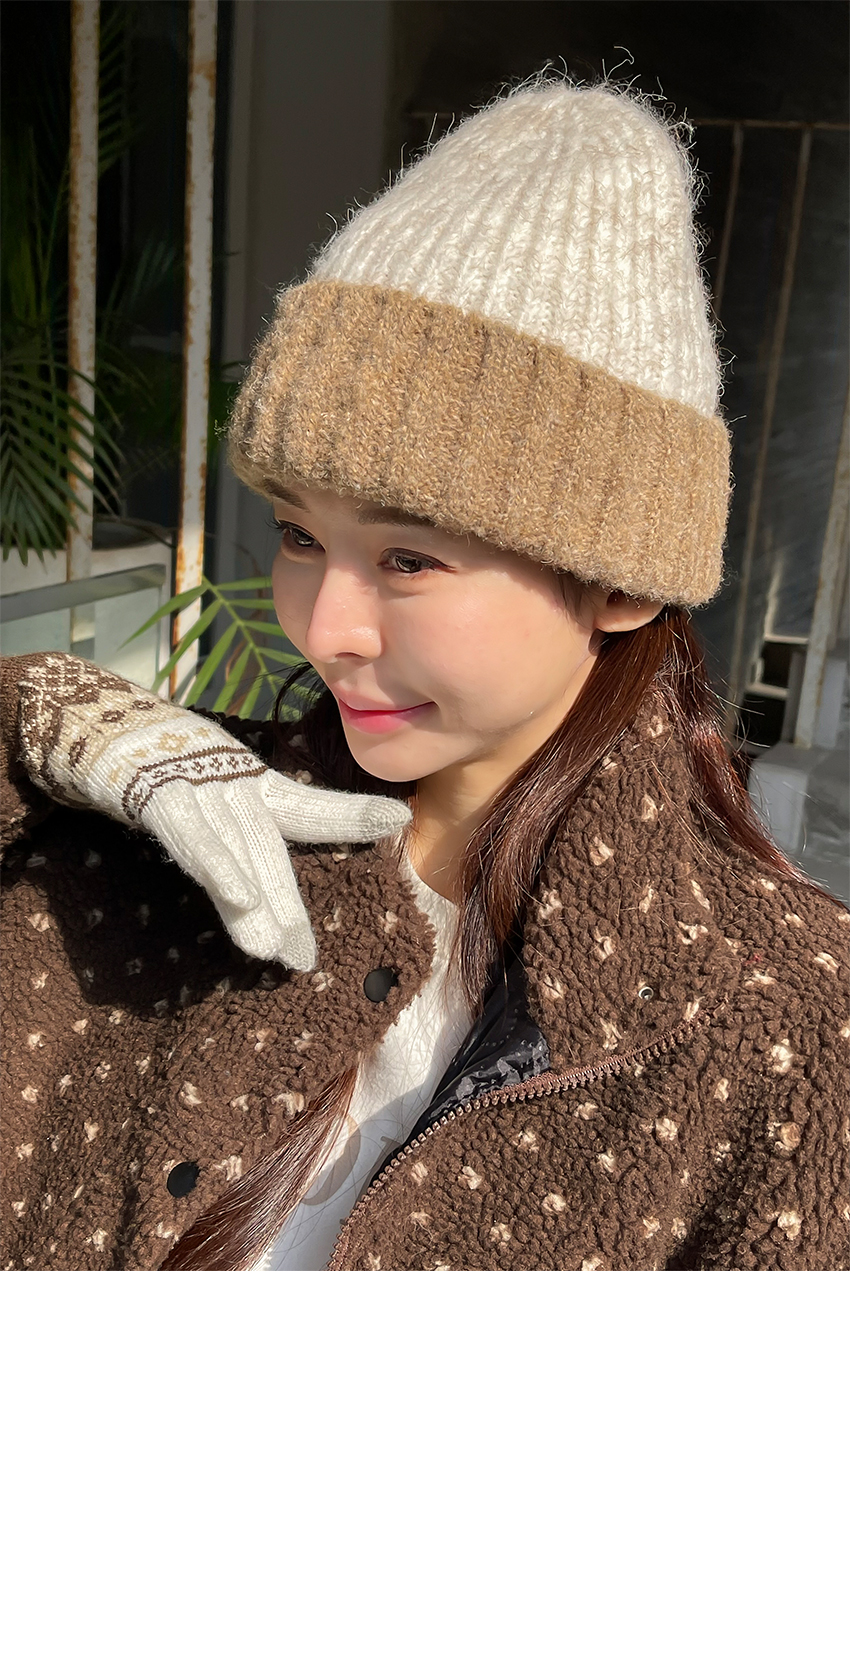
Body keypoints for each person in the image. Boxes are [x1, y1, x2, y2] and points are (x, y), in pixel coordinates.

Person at [2, 78, 848, 1272]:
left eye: (408, 558)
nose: (325, 628)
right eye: (299, 535)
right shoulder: (164, 829)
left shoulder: (779, 1017)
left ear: (619, 581)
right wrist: (46, 720)